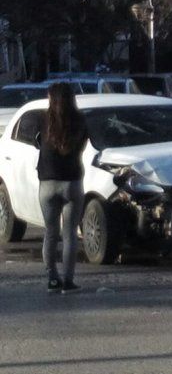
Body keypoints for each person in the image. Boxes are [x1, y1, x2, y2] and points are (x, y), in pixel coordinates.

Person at [37, 82, 89, 294]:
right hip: (72, 183)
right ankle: (68, 281)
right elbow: (83, 145)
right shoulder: (80, 120)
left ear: (52, 98)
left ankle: (52, 279)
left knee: (50, 232)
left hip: (47, 183)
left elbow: (38, 143)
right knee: (69, 235)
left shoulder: (42, 119)